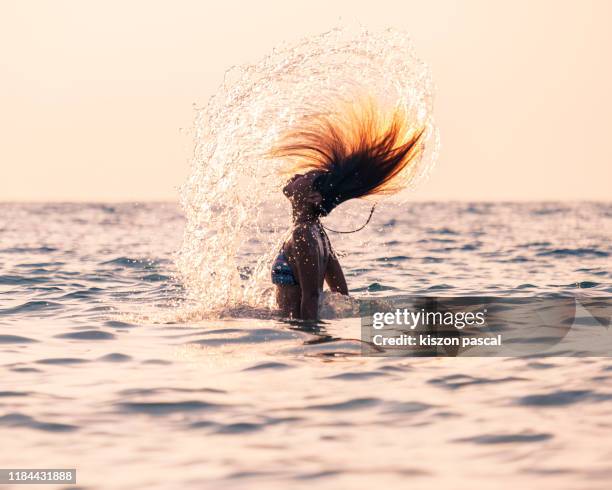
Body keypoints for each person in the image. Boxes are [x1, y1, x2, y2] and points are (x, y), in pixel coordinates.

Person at [270, 98, 425, 320]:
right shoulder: (317, 233)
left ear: (314, 197)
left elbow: (312, 298)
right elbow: (342, 295)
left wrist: (308, 345)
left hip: (294, 335)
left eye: (306, 177)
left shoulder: (303, 234)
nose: (298, 175)